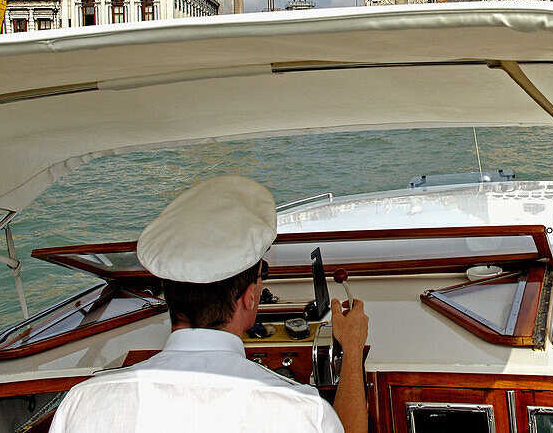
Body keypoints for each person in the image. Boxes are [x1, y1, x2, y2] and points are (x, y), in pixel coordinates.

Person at [49, 175, 369, 433]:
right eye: (262, 275)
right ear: (249, 296)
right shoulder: (302, 411)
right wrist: (351, 349)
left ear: (168, 291)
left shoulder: (83, 403)